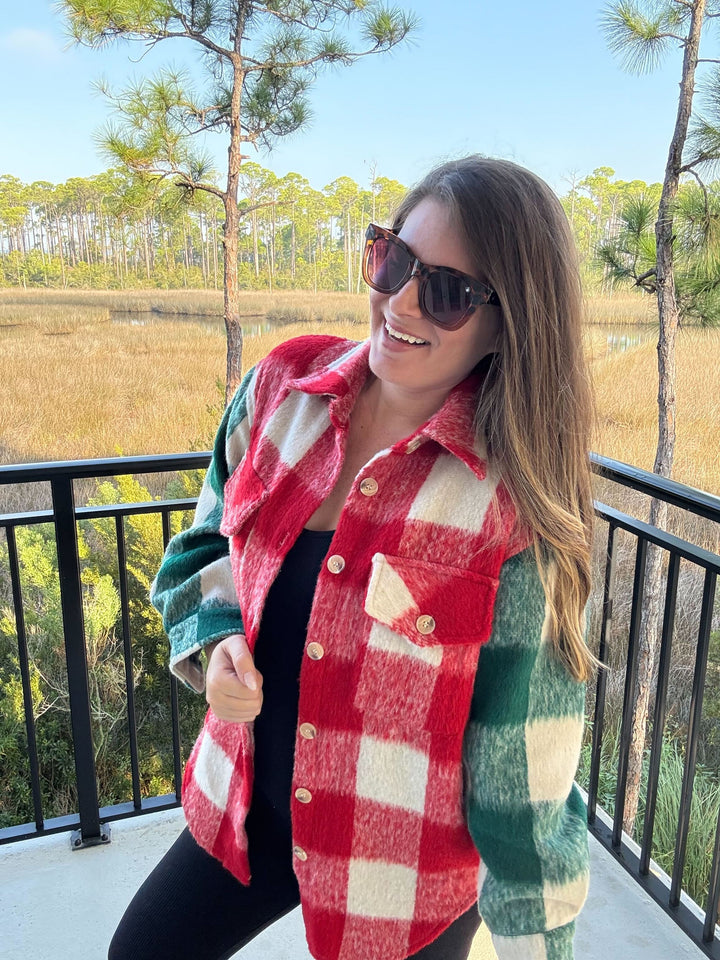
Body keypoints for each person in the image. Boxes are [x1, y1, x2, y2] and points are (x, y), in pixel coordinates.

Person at [109, 155, 594, 960]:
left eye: (446, 291)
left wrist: (540, 945)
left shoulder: (513, 509)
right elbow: (203, 544)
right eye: (392, 258)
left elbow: (524, 781)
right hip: (244, 814)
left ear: (512, 320)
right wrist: (217, 636)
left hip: (399, 875)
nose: (399, 301)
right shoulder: (277, 391)